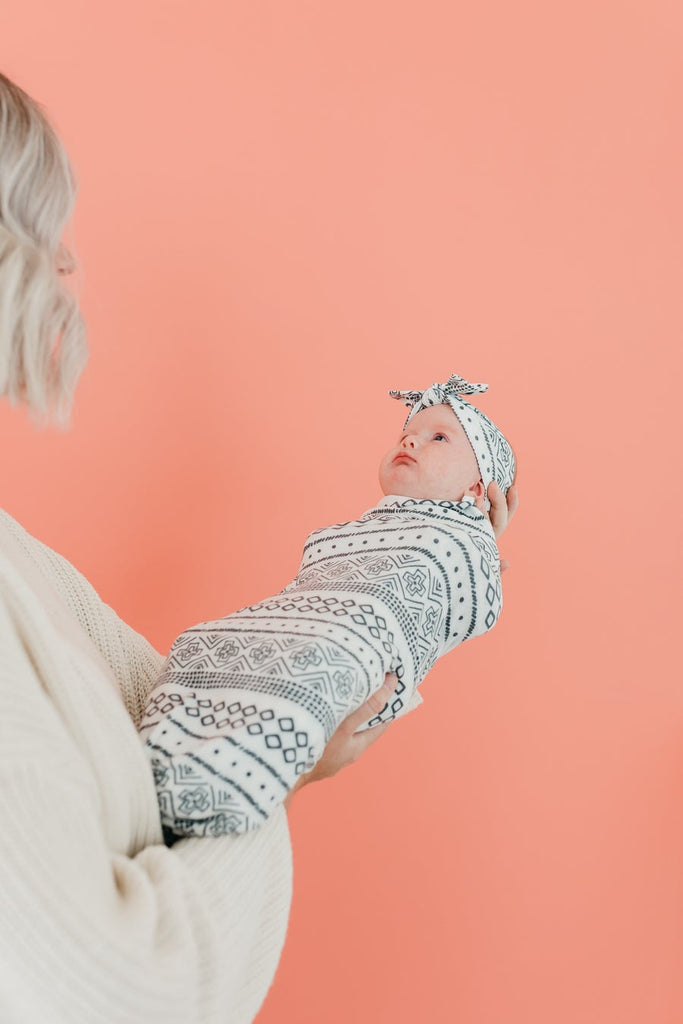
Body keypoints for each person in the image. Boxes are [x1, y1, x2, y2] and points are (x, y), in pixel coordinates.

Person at [0, 70, 518, 1024]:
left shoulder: (23, 566)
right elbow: (124, 993)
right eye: (37, 231)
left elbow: (166, 689)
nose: (65, 266)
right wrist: (283, 774)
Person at [140, 373, 517, 838]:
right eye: (406, 435)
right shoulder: (361, 530)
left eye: (438, 438)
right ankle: (185, 748)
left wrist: (475, 541)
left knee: (314, 666)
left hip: (342, 643)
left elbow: (465, 602)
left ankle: (216, 782)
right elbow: (321, 571)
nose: (412, 441)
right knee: (201, 643)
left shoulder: (458, 546)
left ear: (479, 490)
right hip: (301, 620)